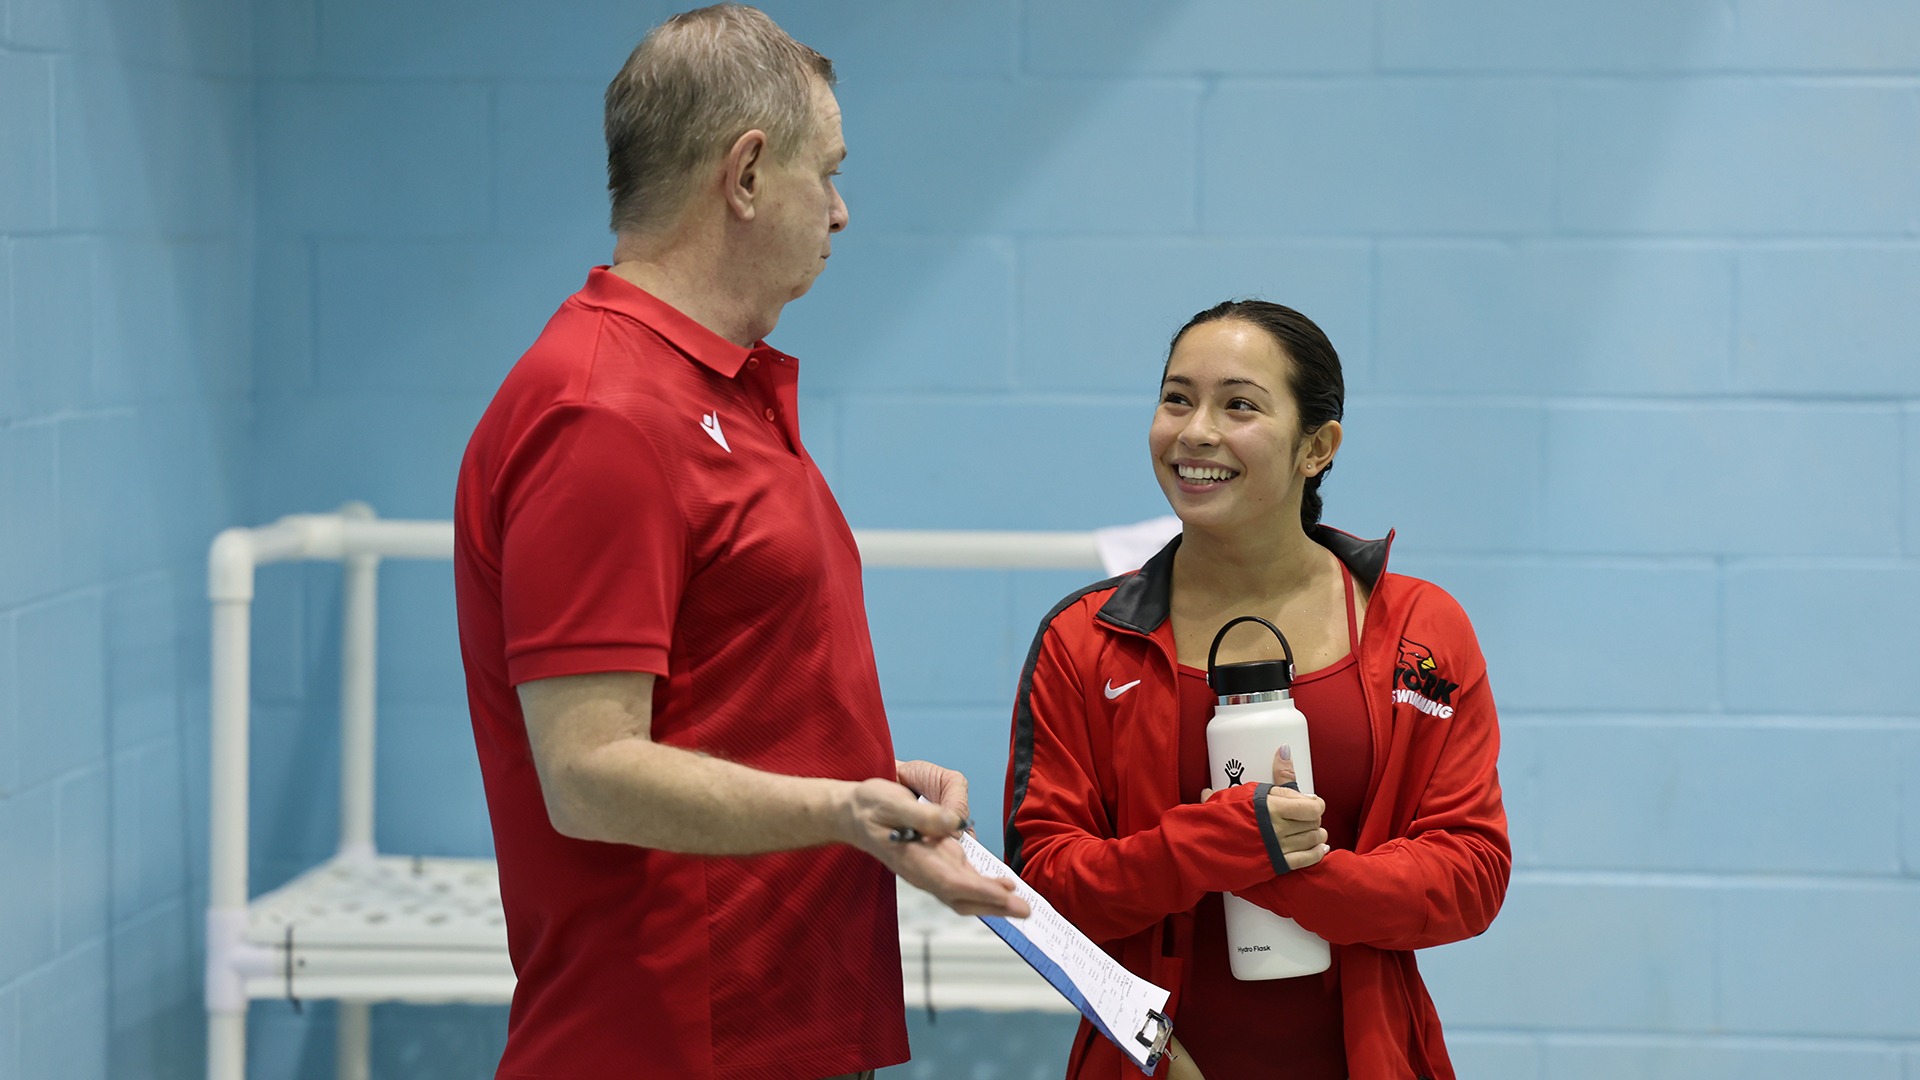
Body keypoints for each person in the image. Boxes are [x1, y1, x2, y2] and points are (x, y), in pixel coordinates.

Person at [452, 6, 1025, 1078]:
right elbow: (588, 773)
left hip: (775, 1020)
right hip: (674, 1037)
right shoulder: (603, 413)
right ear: (748, 174)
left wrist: (859, 780)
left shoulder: (712, 392)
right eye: (830, 172)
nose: (842, 212)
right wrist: (841, 810)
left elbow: (714, 699)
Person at [1002, 300, 1509, 1080]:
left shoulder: (1420, 628)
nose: (1196, 431)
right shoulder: (1086, 640)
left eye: (1239, 404)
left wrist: (1294, 874)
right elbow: (1044, 887)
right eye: (1178, 398)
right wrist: (1214, 844)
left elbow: (1469, 874)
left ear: (1318, 447)